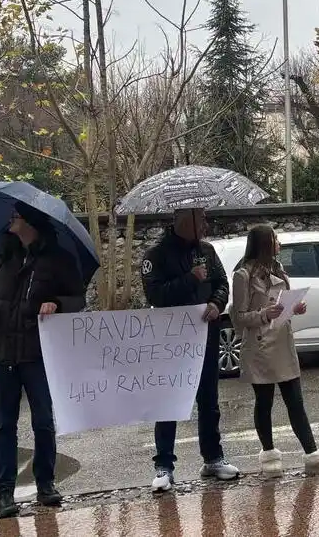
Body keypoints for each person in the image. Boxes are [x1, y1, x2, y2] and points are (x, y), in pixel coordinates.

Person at [0, 202, 86, 519]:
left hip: (38, 352)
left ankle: (45, 484)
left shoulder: (58, 260)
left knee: (43, 421)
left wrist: (56, 303)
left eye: (15, 217)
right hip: (0, 350)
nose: (9, 221)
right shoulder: (1, 254)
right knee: (4, 425)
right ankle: (4, 493)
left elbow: (78, 299)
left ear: (29, 222)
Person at [231, 225, 319, 477]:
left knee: (295, 400)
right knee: (264, 401)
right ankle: (269, 454)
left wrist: (295, 308)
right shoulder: (243, 275)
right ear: (263, 244)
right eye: (274, 239)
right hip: (260, 346)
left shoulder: (278, 269)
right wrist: (263, 314)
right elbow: (238, 317)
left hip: (282, 342)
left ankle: (312, 454)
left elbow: (282, 305)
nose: (278, 243)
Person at [142, 207, 238, 491]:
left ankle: (213, 458)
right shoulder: (156, 255)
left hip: (204, 335)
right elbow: (155, 294)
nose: (206, 223)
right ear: (186, 220)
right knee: (168, 400)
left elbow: (222, 283)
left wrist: (216, 304)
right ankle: (164, 467)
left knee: (208, 400)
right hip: (171, 338)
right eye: (202, 218)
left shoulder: (206, 250)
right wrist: (191, 279)